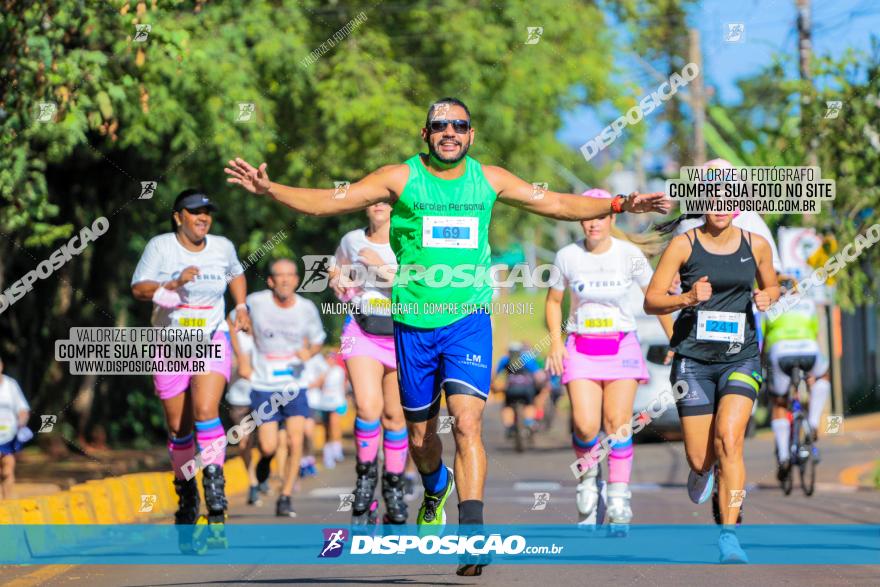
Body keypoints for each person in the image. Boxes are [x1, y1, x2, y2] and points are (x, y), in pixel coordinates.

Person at [225, 97, 669, 576]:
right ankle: (436, 485)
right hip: (414, 324)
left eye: (459, 125)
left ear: (471, 135)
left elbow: (558, 203)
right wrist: (272, 190)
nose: (450, 132)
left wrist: (620, 203)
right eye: (441, 126)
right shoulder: (401, 178)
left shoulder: (490, 179)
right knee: (419, 437)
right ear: (427, 134)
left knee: (466, 423)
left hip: (468, 320)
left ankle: (472, 532)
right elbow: (332, 201)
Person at [644, 208, 779, 564]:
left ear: (736, 207)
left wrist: (769, 297)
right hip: (694, 361)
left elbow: (773, 284)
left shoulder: (758, 244)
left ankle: (729, 536)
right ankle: (704, 470)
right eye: (713, 197)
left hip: (741, 357)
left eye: (727, 199)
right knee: (700, 456)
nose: (720, 205)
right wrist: (687, 298)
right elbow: (651, 300)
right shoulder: (683, 245)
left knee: (730, 440)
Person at [545, 188, 674, 530]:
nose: (593, 223)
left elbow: (656, 298)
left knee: (618, 424)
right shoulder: (567, 256)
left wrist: (677, 341)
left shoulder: (629, 255)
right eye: (587, 216)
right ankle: (589, 480)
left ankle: (619, 497)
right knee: (586, 425)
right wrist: (556, 344)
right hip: (582, 347)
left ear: (611, 217)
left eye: (600, 216)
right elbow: (553, 302)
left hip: (622, 348)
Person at [131, 189, 249, 545]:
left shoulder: (222, 247)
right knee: (178, 429)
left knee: (205, 411)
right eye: (195, 212)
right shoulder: (160, 246)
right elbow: (138, 288)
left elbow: (236, 273)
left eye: (207, 212)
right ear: (177, 216)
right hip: (170, 342)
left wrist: (240, 306)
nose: (203, 218)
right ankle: (187, 497)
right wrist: (172, 282)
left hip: (212, 336)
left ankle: (215, 491)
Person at [330, 202, 409, 525]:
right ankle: (365, 483)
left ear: (395, 206)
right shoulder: (351, 239)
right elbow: (337, 266)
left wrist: (380, 267)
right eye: (373, 199)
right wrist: (338, 280)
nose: (378, 204)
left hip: (402, 333)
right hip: (361, 331)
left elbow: (419, 287)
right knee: (367, 407)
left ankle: (393, 488)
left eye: (385, 199)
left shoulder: (408, 240)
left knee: (394, 417)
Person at [233, 258, 326, 518]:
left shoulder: (306, 308)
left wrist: (309, 352)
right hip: (263, 383)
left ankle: (285, 496)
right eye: (279, 276)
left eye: (290, 275)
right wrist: (242, 360)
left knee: (296, 441)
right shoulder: (257, 302)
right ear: (271, 281)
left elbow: (318, 340)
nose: (285, 280)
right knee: (268, 445)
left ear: (296, 280)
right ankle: (264, 462)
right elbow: (233, 321)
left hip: (295, 384)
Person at [764, 278, 830, 480]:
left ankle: (784, 456)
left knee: (780, 402)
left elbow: (763, 341)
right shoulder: (808, 304)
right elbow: (815, 334)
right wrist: (811, 376)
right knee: (822, 377)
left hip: (781, 354)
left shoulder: (770, 308)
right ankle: (813, 421)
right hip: (808, 351)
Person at [225, 317, 262, 505]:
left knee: (266, 443)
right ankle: (253, 482)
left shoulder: (262, 336)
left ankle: (264, 471)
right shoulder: (227, 340)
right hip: (238, 399)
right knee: (243, 442)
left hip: (263, 396)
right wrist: (236, 364)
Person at [491, 342, 546, 440]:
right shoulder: (527, 358)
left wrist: (492, 386)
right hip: (527, 389)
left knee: (507, 405)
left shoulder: (505, 359)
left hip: (511, 389)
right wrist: (540, 387)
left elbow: (493, 374)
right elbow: (539, 376)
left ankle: (509, 427)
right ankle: (529, 423)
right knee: (529, 404)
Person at [0, 357, 32, 500]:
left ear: (1, 366)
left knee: (7, 470)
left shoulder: (11, 385)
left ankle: (7, 502)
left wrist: (21, 423)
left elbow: (23, 409)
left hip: (8, 435)